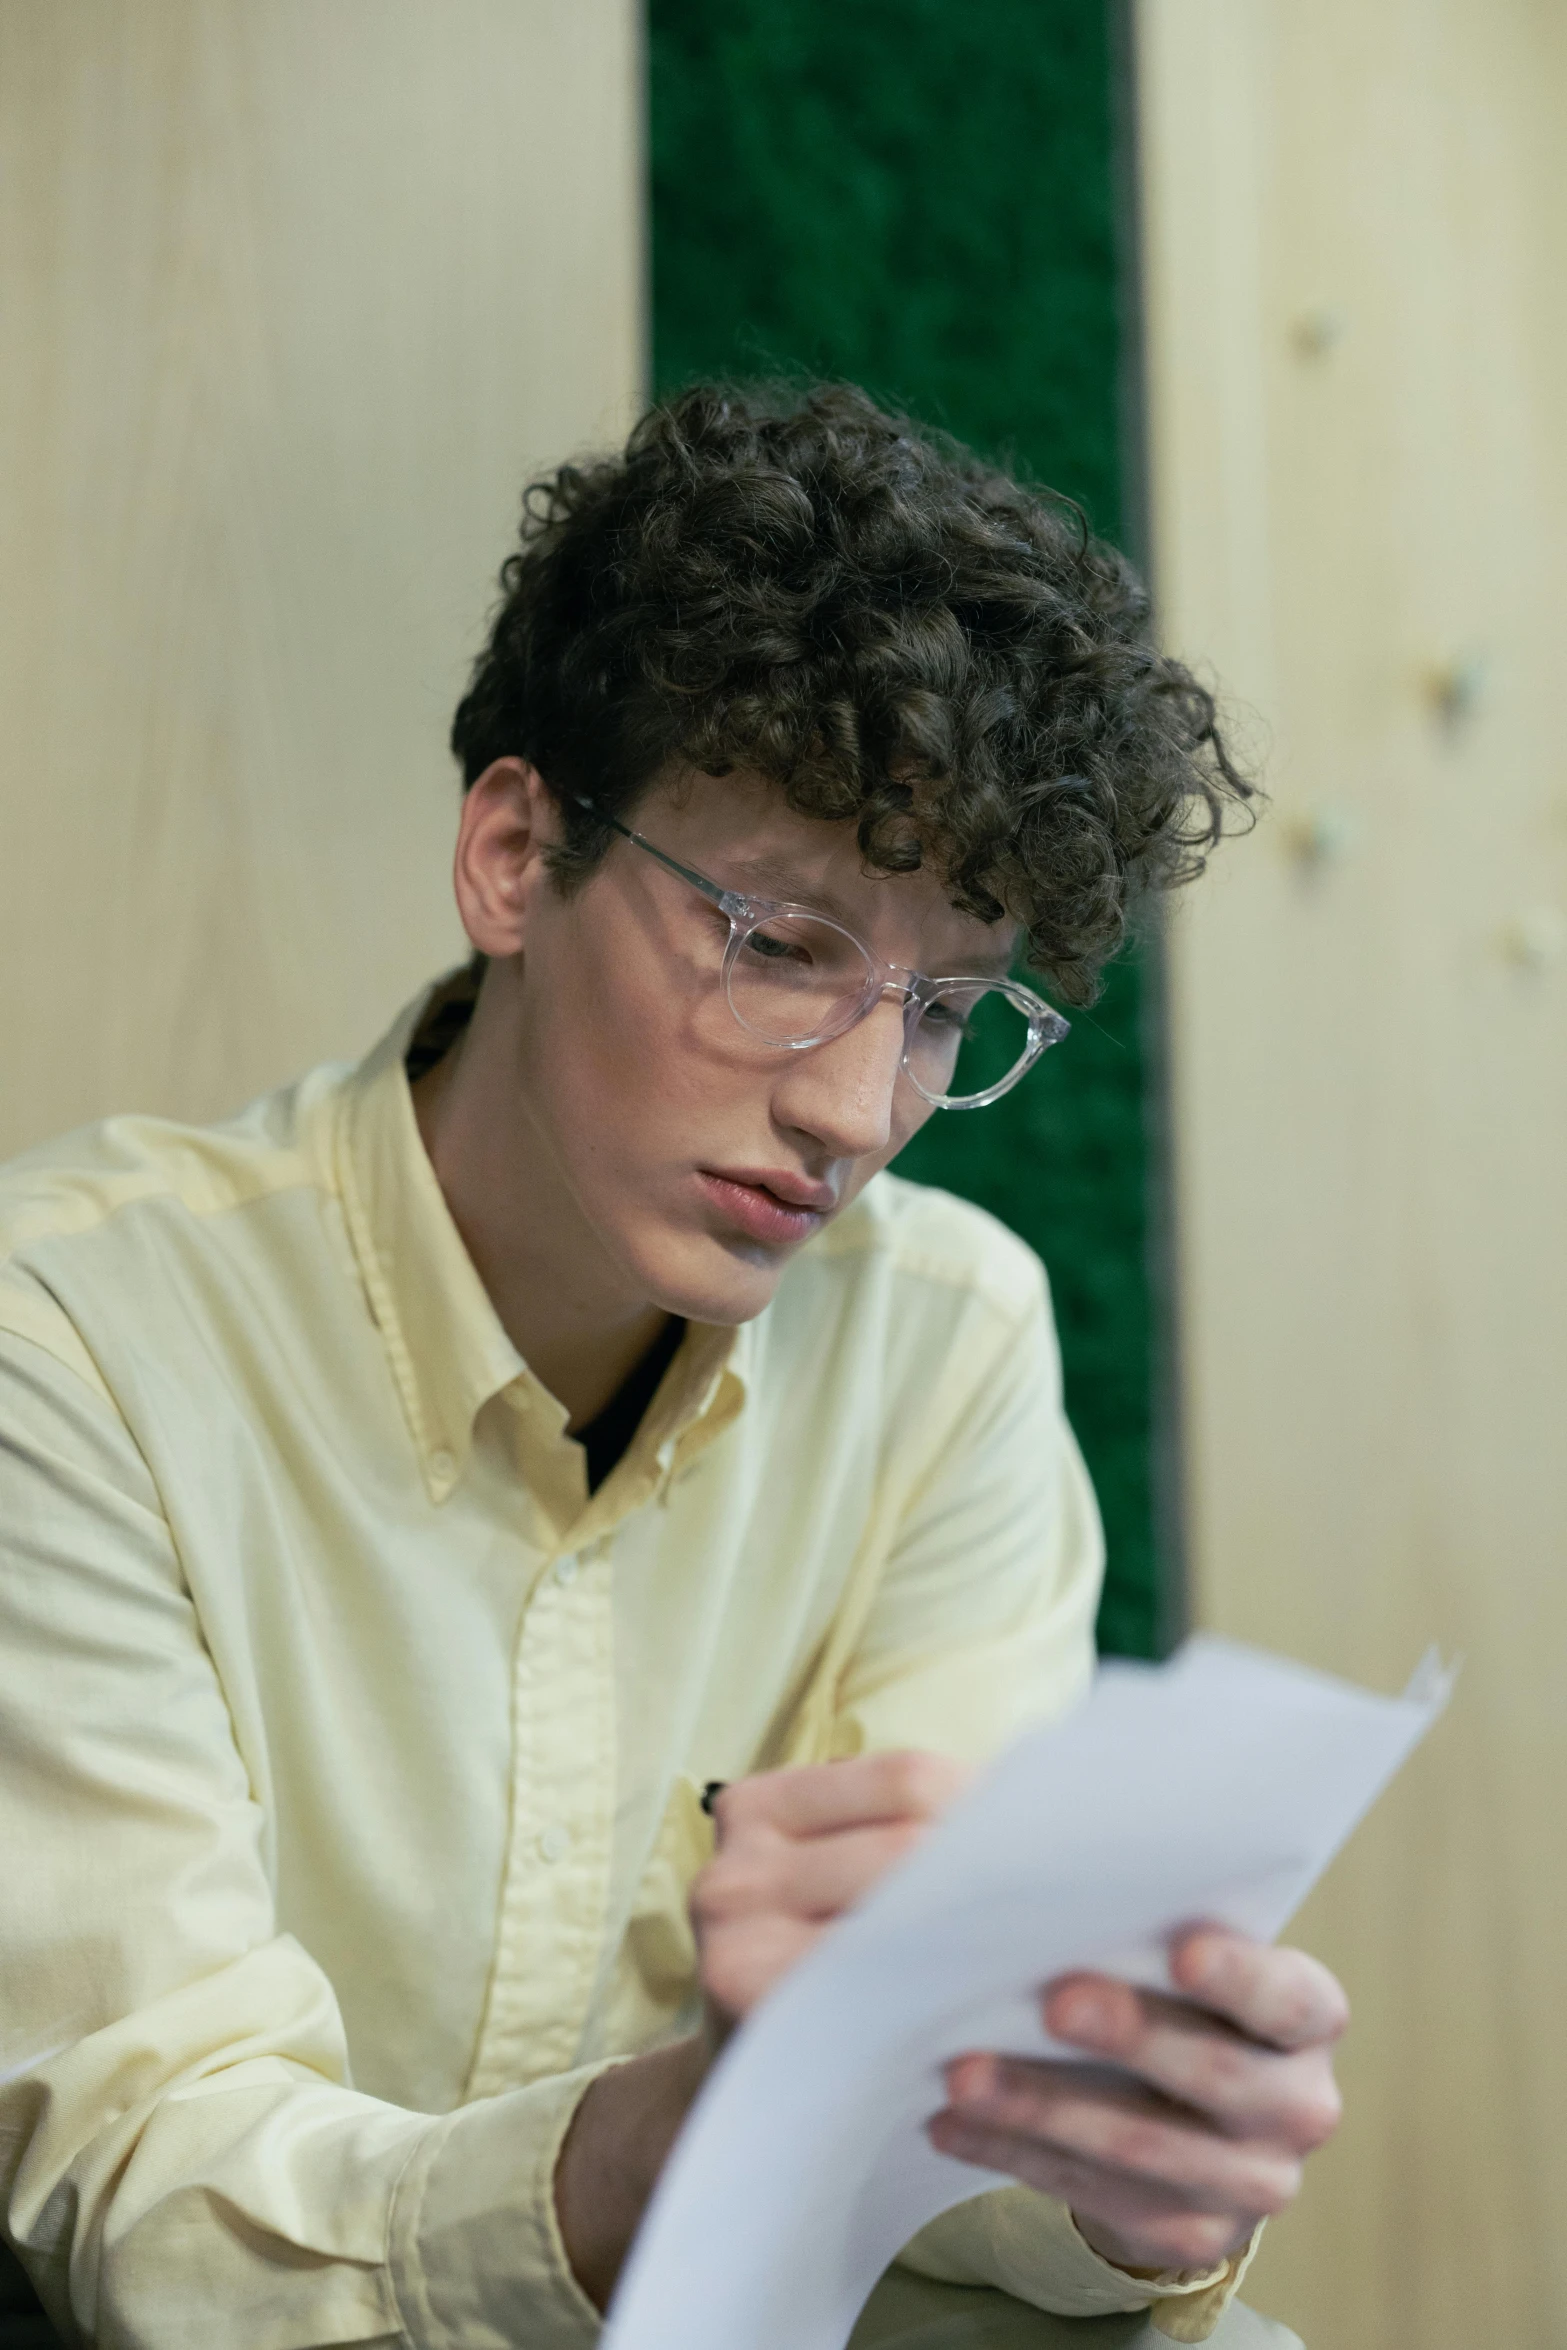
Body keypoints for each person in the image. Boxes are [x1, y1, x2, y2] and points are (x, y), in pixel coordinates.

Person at [0, 383, 1344, 2350]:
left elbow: (935, 2153)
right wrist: (688, 2123)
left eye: (949, 1008)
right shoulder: (73, 1335)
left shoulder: (951, 1338)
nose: (859, 1107)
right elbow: (149, 2185)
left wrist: (1124, 2174)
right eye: (784, 944)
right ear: (516, 853)